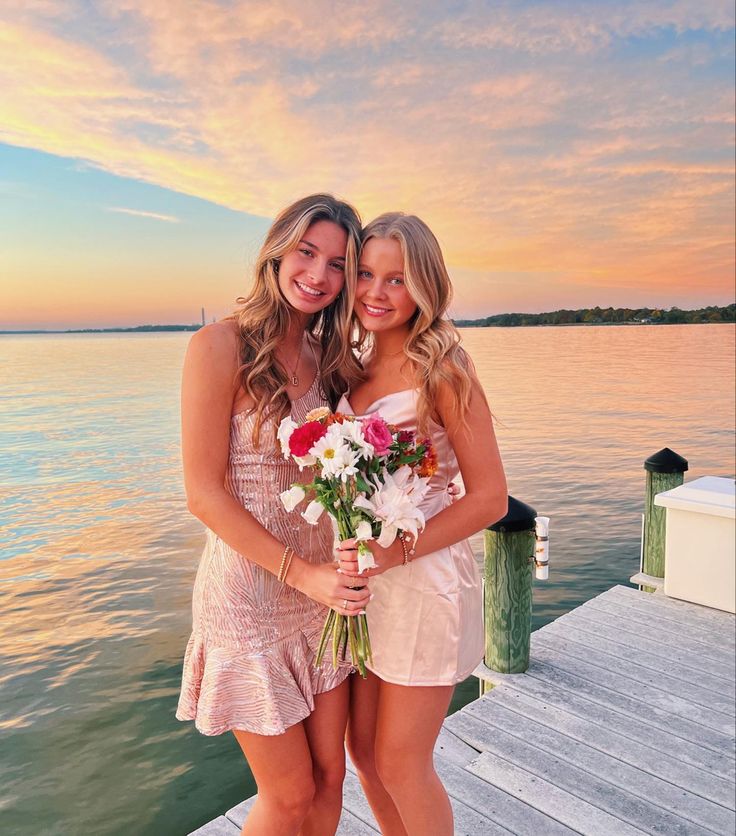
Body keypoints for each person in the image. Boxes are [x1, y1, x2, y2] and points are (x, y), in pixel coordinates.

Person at [175, 194, 372, 836]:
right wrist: (303, 573)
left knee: (331, 780)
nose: (318, 275)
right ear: (277, 251)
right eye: (307, 252)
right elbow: (203, 493)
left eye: (338, 263)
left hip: (322, 594)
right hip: (253, 596)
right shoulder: (218, 345)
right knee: (288, 795)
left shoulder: (332, 362)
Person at [336, 212, 508, 835]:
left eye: (397, 279)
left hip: (422, 578)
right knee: (364, 755)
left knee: (403, 762)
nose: (376, 293)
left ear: (425, 288)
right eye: (364, 274)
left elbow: (489, 498)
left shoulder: (444, 369)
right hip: (364, 586)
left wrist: (394, 555)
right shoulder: (349, 367)